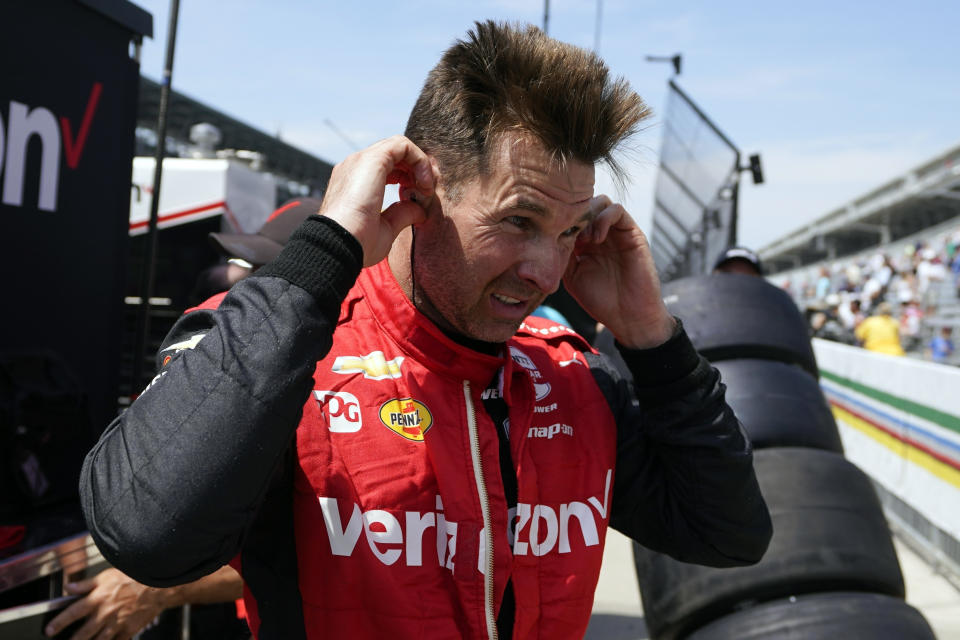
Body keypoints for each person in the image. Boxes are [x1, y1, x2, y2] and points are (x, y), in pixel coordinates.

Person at [80, 22, 772, 640]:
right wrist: (323, 253)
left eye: (565, 232)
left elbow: (728, 533)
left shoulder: (575, 377)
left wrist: (653, 337)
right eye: (518, 222)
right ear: (417, 192)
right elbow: (147, 537)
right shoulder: (286, 354)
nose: (545, 270)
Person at [44, 200, 321, 640]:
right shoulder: (219, 349)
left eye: (262, 268)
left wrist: (157, 590)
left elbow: (321, 552)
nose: (244, 282)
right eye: (239, 264)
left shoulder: (331, 384)